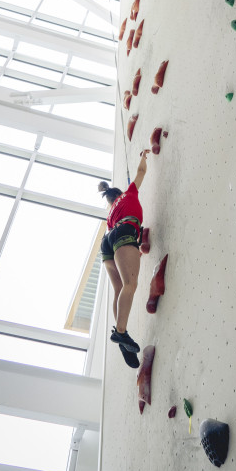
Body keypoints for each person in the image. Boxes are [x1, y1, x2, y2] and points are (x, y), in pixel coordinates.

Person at [99, 149, 149, 368]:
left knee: (120, 290)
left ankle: (122, 333)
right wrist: (144, 157)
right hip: (124, 232)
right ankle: (120, 333)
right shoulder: (129, 194)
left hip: (107, 241)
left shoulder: (111, 214)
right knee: (131, 284)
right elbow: (140, 172)